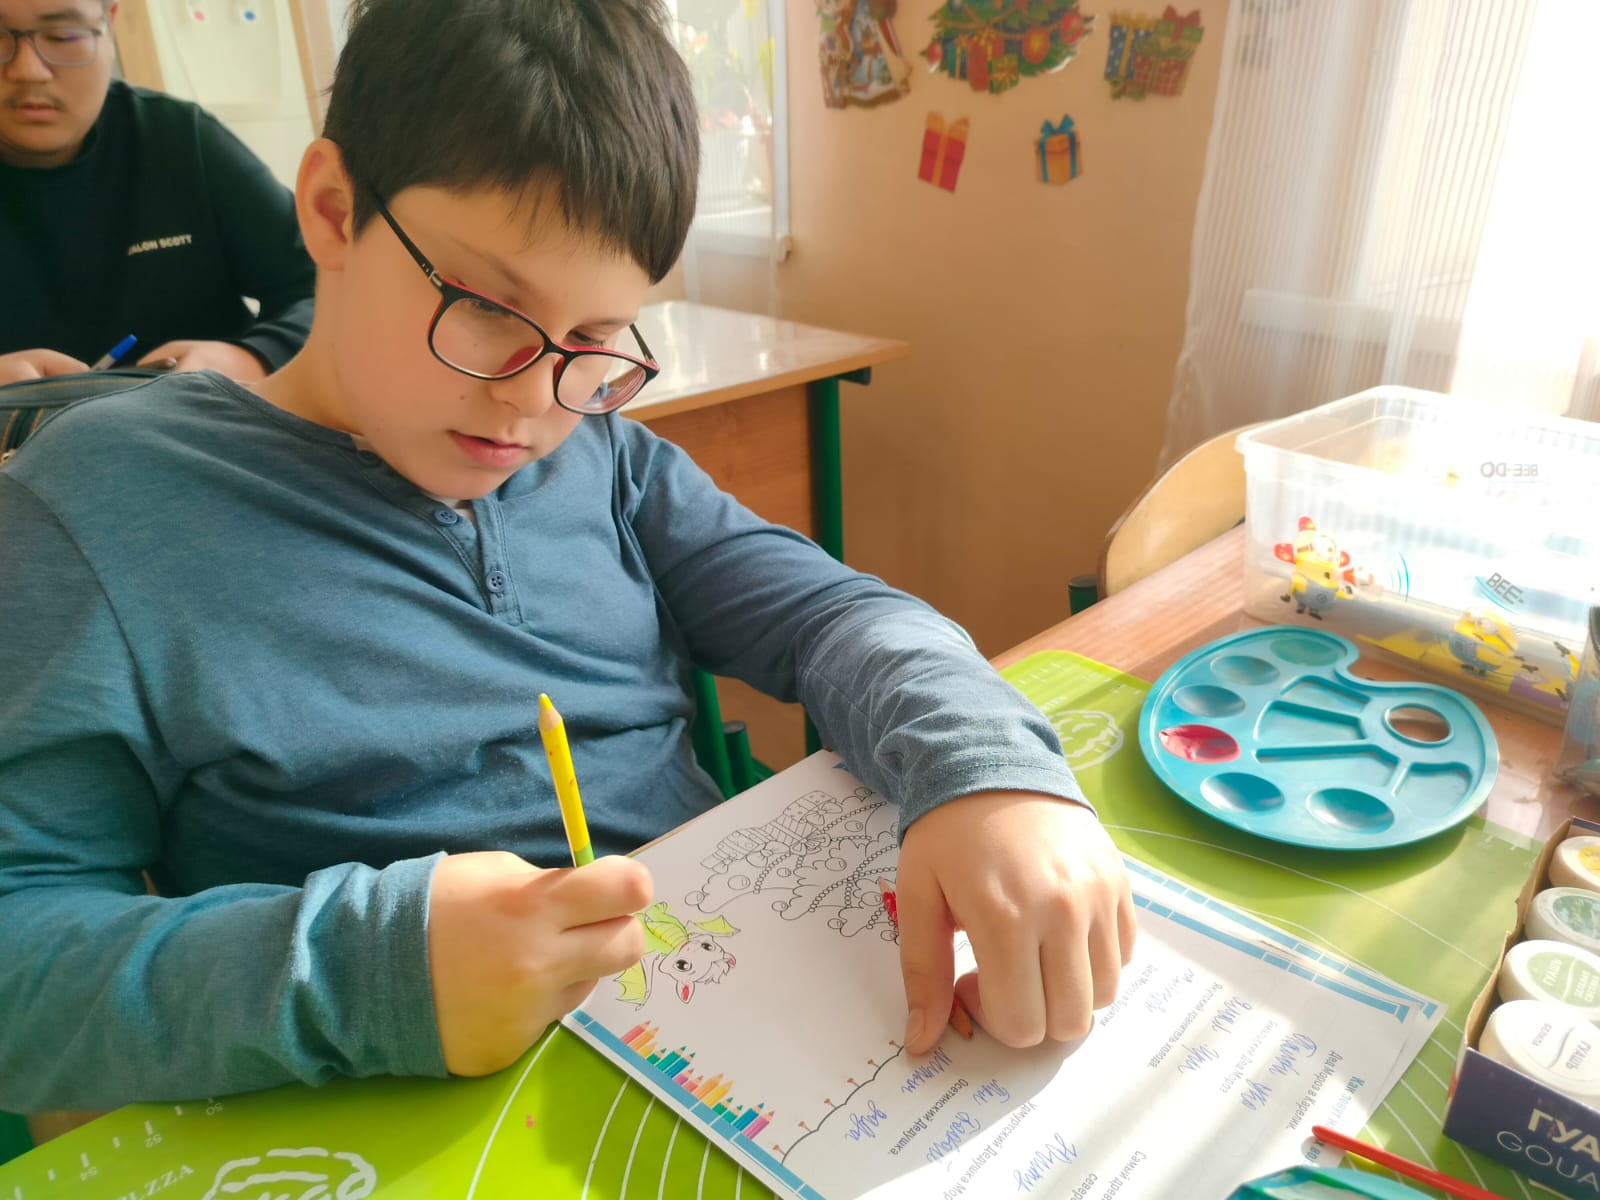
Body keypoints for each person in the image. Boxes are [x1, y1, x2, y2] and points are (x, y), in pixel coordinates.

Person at [0, 0, 1135, 1113]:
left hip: (724, 1028)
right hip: (403, 1103)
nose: (534, 402)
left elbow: (834, 616)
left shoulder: (607, 456)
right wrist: (375, 971)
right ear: (334, 210)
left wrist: (985, 768)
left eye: (593, 338)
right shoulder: (100, 504)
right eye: (488, 308)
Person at [0, 0, 315, 385]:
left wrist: (252, 356)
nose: (28, 70)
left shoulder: (178, 139)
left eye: (62, 36)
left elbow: (325, 284)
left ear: (110, 25)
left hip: (205, 415)